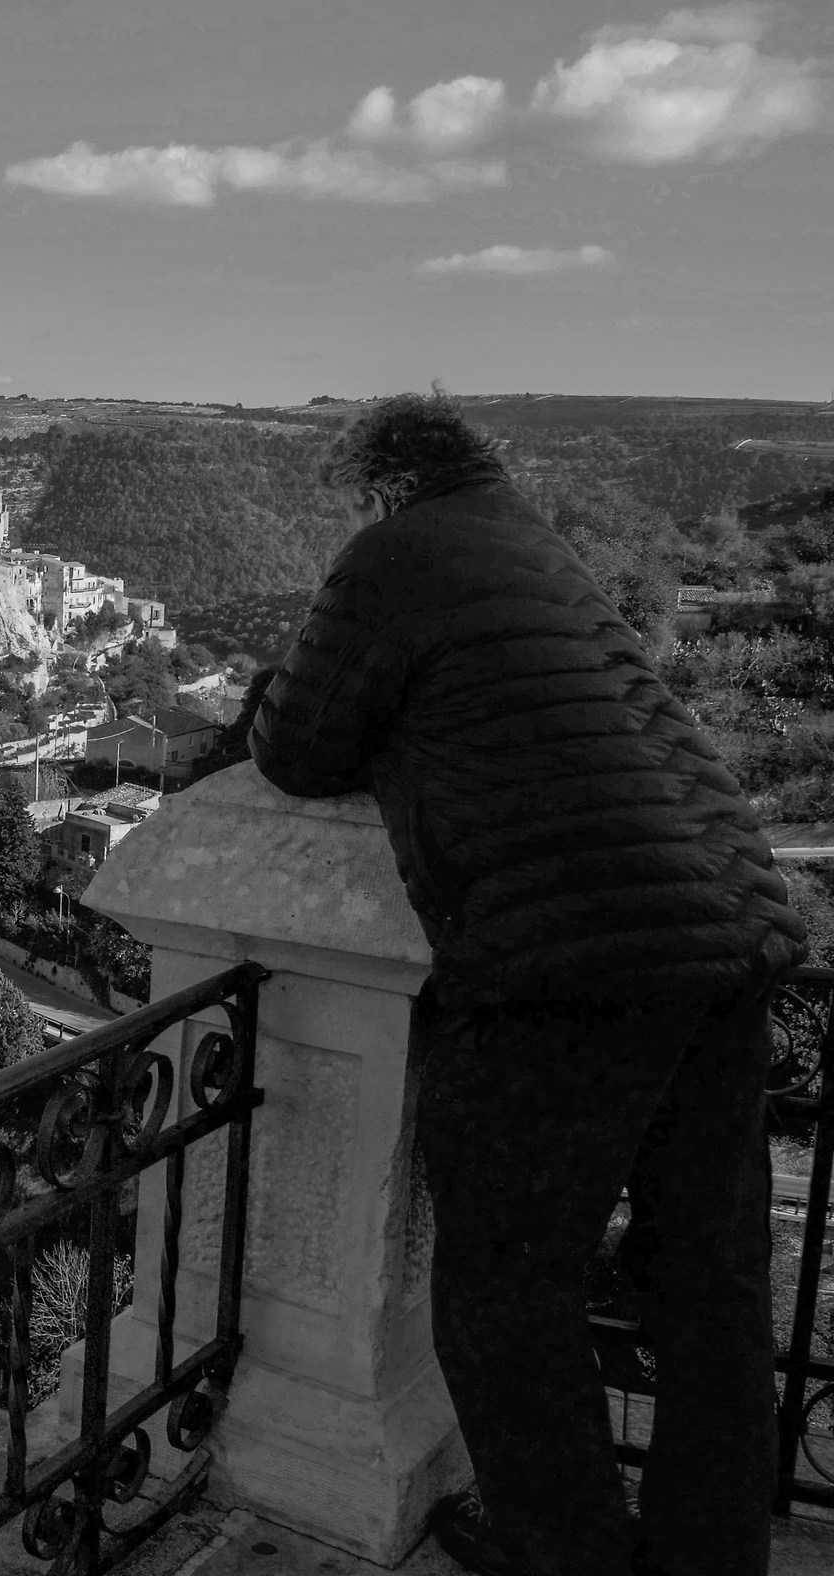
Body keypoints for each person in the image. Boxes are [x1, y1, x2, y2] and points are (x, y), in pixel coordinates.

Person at [248, 394, 803, 1576]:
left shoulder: (396, 549)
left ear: (381, 482)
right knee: (709, 1282)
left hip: (571, 956)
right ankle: (712, 1559)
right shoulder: (545, 554)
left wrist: (262, 699)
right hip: (732, 927)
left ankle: (570, 1555)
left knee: (505, 1284)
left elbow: (301, 747)